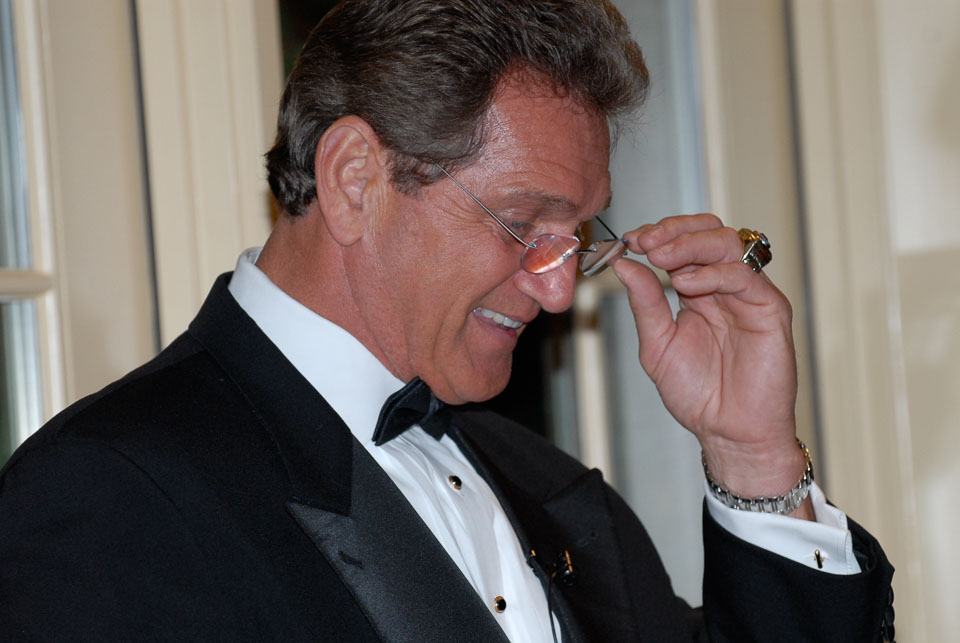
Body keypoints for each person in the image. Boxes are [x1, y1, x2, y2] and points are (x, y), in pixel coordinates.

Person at [0, 1, 894, 641]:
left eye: (575, 238)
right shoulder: (108, 491)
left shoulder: (551, 488)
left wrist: (751, 456)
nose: (558, 290)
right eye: (524, 224)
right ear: (355, 179)